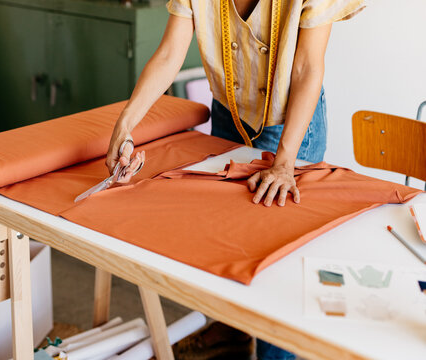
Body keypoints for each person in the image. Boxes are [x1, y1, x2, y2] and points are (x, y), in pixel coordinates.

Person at [106, 0, 365, 358]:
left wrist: (285, 161)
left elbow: (306, 68)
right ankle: (234, 333)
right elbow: (169, 54)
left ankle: (277, 355)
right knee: (226, 236)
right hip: (229, 111)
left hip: (289, 123)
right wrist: (125, 125)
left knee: (278, 258)